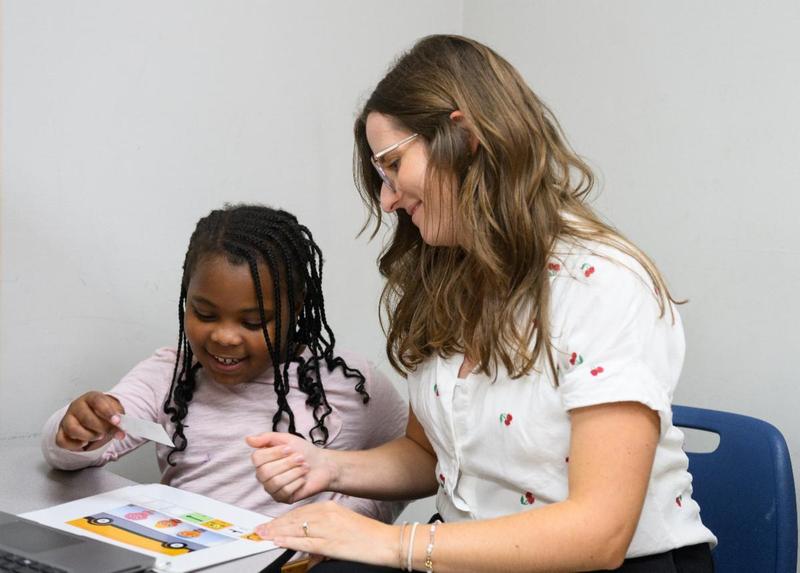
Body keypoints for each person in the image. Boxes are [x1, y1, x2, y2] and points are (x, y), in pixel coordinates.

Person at [247, 35, 717, 572]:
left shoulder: (603, 284)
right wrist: (328, 468)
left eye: (393, 165)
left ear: (464, 137)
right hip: (471, 554)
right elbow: (433, 458)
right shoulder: (448, 276)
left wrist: (393, 544)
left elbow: (599, 533)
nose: (387, 198)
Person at [41, 204, 407, 524]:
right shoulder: (170, 375)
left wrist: (350, 517)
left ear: (294, 310)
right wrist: (77, 430)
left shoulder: (351, 383)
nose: (225, 337)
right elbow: (70, 454)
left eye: (252, 322)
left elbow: (417, 465)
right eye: (204, 313)